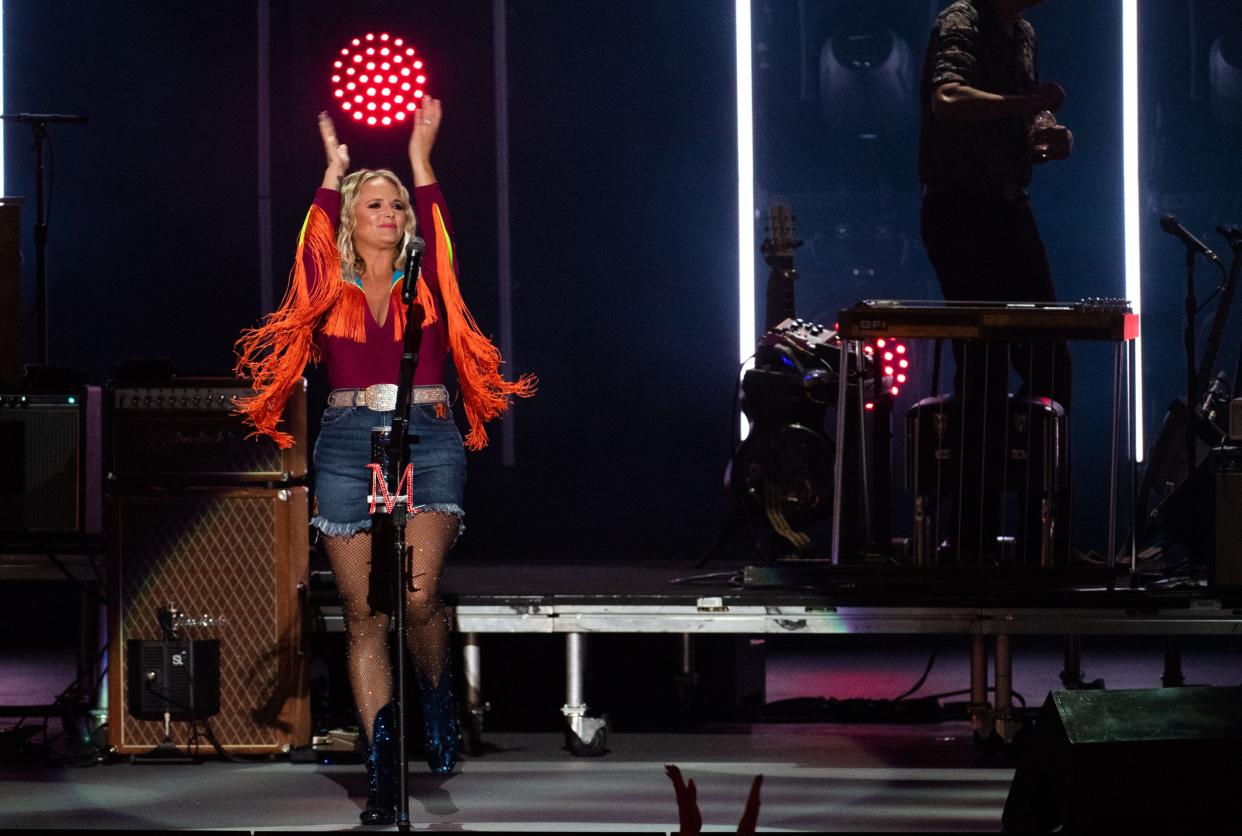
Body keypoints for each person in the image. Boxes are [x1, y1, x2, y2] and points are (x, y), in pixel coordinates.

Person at [234, 98, 535, 825]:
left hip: (427, 432)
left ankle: (437, 693)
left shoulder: (426, 278)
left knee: (419, 594)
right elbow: (308, 246)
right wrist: (330, 173)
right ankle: (381, 764)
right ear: (350, 216)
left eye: (396, 202)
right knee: (365, 614)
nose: (390, 211)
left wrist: (422, 160)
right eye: (375, 202)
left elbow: (438, 225)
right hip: (344, 439)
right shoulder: (330, 283)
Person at [917, 0, 1074, 564]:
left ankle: (1045, 541)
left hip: (1009, 208)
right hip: (961, 211)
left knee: (1051, 363)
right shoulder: (962, 20)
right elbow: (948, 98)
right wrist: (1029, 104)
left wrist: (1047, 133)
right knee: (981, 371)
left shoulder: (1023, 34)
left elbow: (1023, 120)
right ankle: (972, 540)